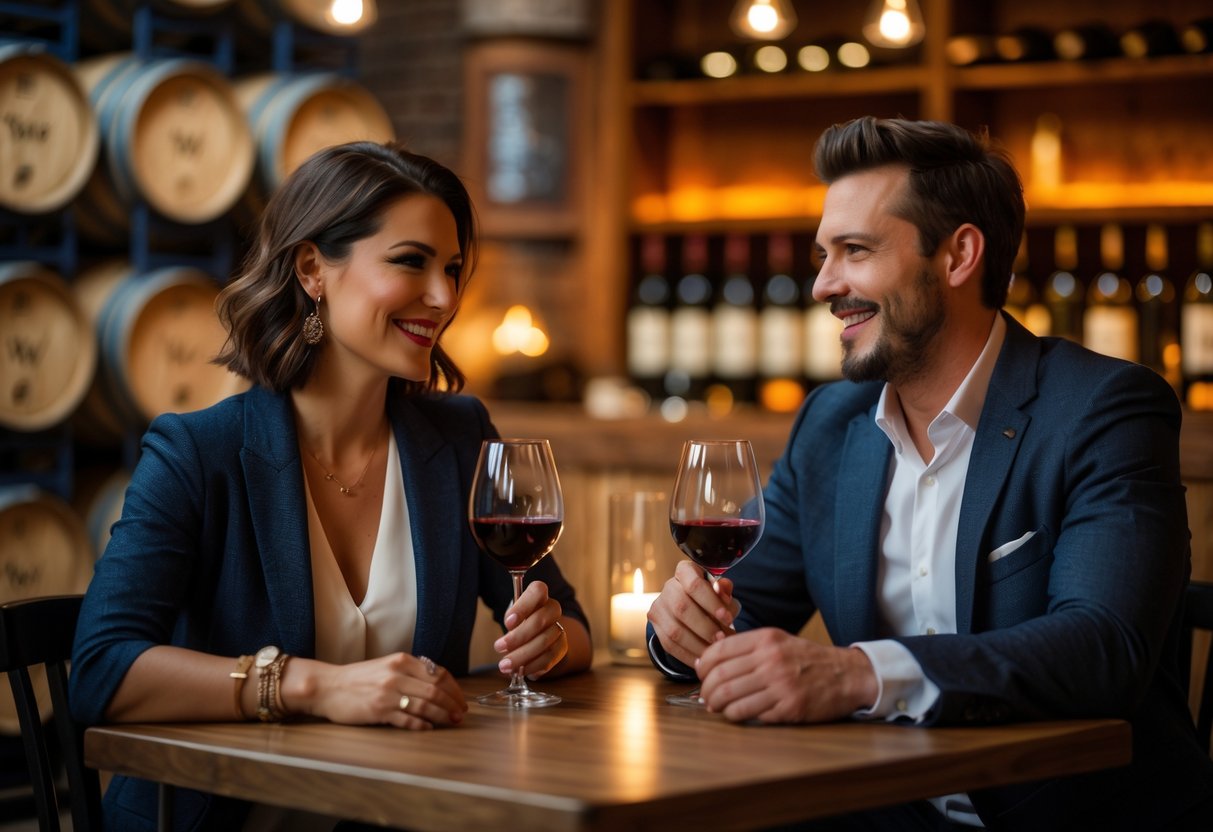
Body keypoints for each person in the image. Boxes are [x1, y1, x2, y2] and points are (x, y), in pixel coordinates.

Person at [646, 116, 1213, 830]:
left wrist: (858, 674)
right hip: (884, 811)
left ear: (957, 256)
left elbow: (1103, 647)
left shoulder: (1103, 409)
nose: (823, 285)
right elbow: (742, 607)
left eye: (853, 251)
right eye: (822, 255)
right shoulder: (830, 424)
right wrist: (678, 631)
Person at [70, 140, 592, 831]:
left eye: (453, 268)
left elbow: (570, 626)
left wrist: (548, 642)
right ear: (313, 268)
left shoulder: (459, 438)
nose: (443, 297)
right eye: (411, 262)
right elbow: (102, 671)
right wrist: (314, 685)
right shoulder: (199, 452)